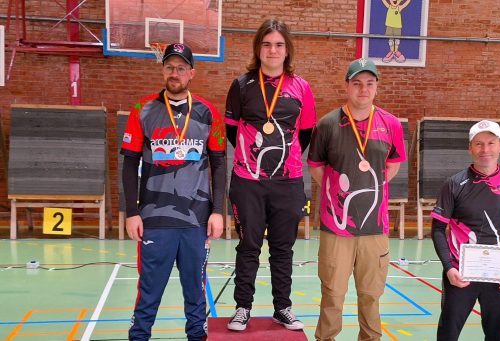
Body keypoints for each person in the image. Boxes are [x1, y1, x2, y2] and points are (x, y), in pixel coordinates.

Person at [121, 43, 226, 341]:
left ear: (191, 72)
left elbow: (219, 164)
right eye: (170, 67)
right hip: (154, 219)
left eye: (181, 68)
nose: (175, 73)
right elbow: (129, 164)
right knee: (149, 293)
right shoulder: (143, 110)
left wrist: (218, 210)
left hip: (196, 220)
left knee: (195, 293)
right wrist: (131, 212)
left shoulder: (208, 113)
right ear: (163, 69)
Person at [224, 19, 317, 331]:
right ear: (258, 49)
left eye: (278, 44)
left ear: (287, 49)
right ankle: (242, 307)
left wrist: (281, 164)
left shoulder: (301, 88)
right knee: (248, 246)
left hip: (288, 182)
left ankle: (283, 307)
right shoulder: (240, 86)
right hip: (247, 181)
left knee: (282, 248)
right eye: (267, 44)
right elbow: (230, 132)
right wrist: (256, 166)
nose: (273, 50)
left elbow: (304, 135)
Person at [308, 58, 407, 341]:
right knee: (332, 295)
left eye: (369, 84)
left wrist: (369, 186)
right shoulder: (327, 124)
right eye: (357, 83)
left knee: (370, 296)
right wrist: (339, 193)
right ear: (347, 86)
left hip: (375, 228)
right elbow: (315, 167)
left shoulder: (391, 124)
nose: (363, 89)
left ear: (376, 88)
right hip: (336, 228)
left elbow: (393, 164)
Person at [430, 120, 500, 341]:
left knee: (497, 335)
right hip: (460, 274)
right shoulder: (453, 184)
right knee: (447, 334)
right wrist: (449, 268)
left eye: (490, 143)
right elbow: (438, 229)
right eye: (478, 144)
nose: (485, 149)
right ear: (470, 148)